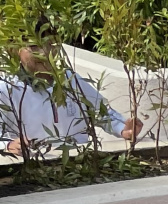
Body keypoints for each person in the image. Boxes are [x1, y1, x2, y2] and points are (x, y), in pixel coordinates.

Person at [1, 37, 139, 155]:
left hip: (79, 161)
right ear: (15, 50)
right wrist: (8, 145)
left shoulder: (70, 79)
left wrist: (123, 129)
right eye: (33, 46)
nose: (44, 52)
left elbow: (101, 112)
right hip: (36, 163)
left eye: (49, 44)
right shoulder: (7, 88)